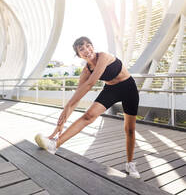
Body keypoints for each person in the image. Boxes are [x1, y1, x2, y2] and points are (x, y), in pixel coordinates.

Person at [35, 36, 140, 178]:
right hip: (111, 90)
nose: (86, 50)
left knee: (130, 129)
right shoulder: (86, 71)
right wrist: (61, 122)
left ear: (92, 46)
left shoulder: (103, 56)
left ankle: (130, 163)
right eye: (81, 49)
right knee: (88, 116)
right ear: (78, 55)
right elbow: (75, 99)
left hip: (128, 88)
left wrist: (69, 105)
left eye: (88, 45)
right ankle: (54, 145)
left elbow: (90, 84)